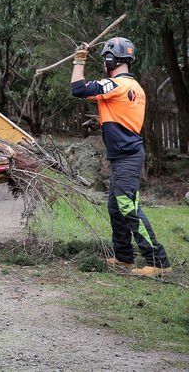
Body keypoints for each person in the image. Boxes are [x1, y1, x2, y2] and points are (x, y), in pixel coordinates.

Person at [71, 37, 171, 277]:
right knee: (116, 207)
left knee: (128, 206)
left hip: (126, 157)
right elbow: (120, 116)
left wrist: (79, 60)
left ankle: (158, 262)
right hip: (124, 155)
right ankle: (124, 258)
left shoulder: (115, 85)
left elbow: (78, 89)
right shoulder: (133, 87)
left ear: (110, 59)